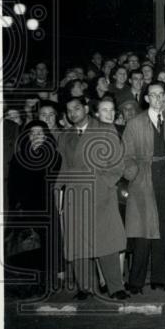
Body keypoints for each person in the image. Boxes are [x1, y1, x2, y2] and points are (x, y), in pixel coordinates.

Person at [54, 95, 128, 299]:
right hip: (75, 196)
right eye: (69, 111)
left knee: (106, 242)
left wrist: (104, 184)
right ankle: (84, 288)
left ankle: (116, 287)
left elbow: (118, 164)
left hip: (100, 194)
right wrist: (58, 189)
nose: (73, 113)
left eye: (77, 108)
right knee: (78, 243)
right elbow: (64, 167)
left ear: (86, 108)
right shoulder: (65, 136)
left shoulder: (105, 129)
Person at [121, 81, 165, 294]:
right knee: (142, 233)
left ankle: (161, 279)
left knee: (164, 230)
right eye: (152, 95)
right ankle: (135, 282)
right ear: (146, 98)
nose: (157, 99)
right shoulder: (134, 124)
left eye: (161, 95)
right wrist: (133, 172)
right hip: (142, 180)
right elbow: (126, 156)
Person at [7, 120, 63, 297]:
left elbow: (50, 177)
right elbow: (13, 187)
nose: (37, 136)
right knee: (27, 248)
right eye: (33, 133)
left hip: (46, 208)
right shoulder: (18, 157)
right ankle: (26, 286)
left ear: (46, 136)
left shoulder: (54, 156)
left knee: (48, 247)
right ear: (27, 136)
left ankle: (47, 284)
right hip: (25, 210)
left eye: (41, 133)